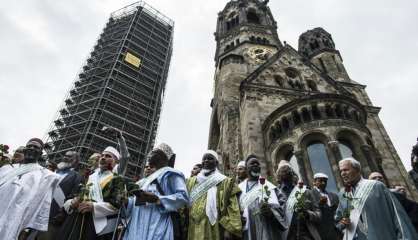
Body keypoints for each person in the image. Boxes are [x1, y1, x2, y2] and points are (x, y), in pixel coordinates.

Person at [60, 127, 129, 240]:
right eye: (102, 155)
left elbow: (116, 205)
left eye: (108, 156)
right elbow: (74, 195)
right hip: (75, 218)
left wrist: (120, 137)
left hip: (97, 225)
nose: (103, 158)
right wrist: (72, 203)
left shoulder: (116, 178)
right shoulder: (90, 177)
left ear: (116, 161)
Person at [336, 157, 418, 240]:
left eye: (346, 170)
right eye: (341, 171)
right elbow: (338, 221)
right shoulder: (343, 195)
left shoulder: (376, 186)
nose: (343, 173)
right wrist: (341, 223)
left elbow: (397, 216)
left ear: (357, 170)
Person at [123, 143, 189, 240]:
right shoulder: (142, 182)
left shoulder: (170, 173)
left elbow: (183, 197)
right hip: (136, 225)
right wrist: (125, 201)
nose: (150, 155)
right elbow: (133, 204)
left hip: (157, 223)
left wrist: (157, 199)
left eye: (154, 153)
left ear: (163, 158)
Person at [0, 138, 61, 240]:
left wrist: (27, 230)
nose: (32, 148)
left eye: (36, 147)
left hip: (16, 222)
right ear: (24, 150)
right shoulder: (6, 169)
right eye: (29, 146)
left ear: (41, 153)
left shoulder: (46, 176)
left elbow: (43, 205)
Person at [186, 150, 242, 240]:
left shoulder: (225, 181)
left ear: (216, 162)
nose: (206, 161)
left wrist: (229, 229)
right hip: (194, 226)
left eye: (210, 158)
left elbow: (232, 206)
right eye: (204, 159)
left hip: (215, 227)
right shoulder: (191, 182)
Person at [238, 155, 287, 240]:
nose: (255, 165)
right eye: (252, 164)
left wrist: (272, 212)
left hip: (268, 232)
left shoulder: (271, 187)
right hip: (247, 231)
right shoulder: (238, 189)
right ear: (246, 169)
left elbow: (283, 207)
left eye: (257, 164)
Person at [38, 151, 84, 240]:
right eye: (65, 156)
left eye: (70, 157)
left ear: (76, 162)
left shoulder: (77, 176)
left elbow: (73, 195)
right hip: (38, 211)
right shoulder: (53, 172)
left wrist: (62, 212)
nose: (66, 158)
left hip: (53, 217)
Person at [280, 161, 321, 240]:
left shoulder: (306, 191)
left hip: (307, 235)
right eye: (282, 170)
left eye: (287, 169)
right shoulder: (276, 195)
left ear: (293, 173)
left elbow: (319, 215)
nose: (285, 171)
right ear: (278, 175)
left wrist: (307, 213)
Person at [311, 173, 340, 240]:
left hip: (335, 232)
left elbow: (338, 212)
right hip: (320, 233)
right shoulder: (309, 194)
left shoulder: (334, 196)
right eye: (320, 180)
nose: (323, 183)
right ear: (314, 182)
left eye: (325, 181)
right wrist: (319, 204)